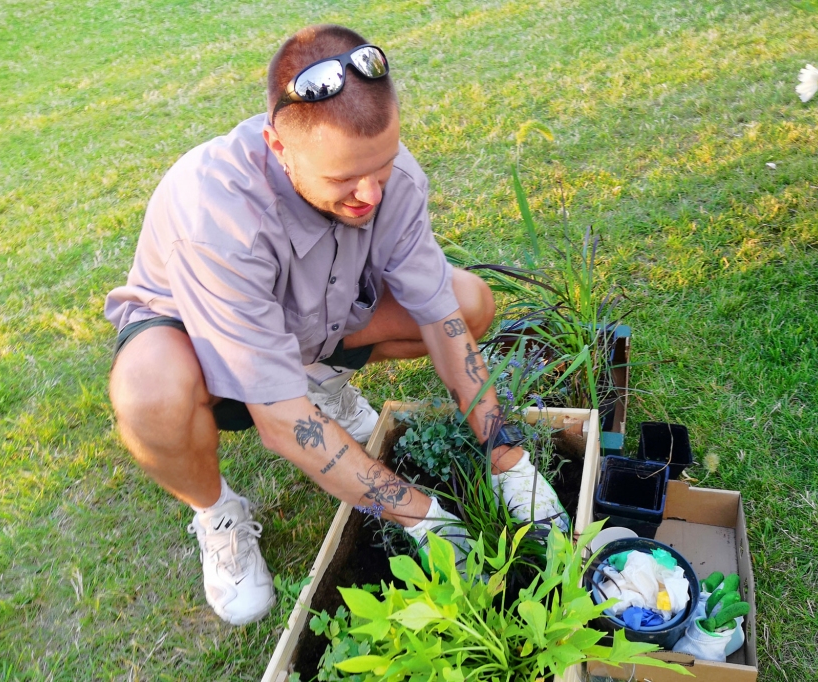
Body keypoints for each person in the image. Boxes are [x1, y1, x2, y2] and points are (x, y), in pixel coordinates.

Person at [105, 24, 566, 627]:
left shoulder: (381, 174)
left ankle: (320, 382)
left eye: (383, 167)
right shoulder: (217, 216)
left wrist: (508, 458)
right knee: (149, 394)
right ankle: (216, 512)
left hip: (316, 319)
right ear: (277, 145)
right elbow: (278, 423)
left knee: (469, 302)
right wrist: (422, 515)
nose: (370, 195)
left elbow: (442, 319)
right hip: (202, 343)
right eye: (344, 179)